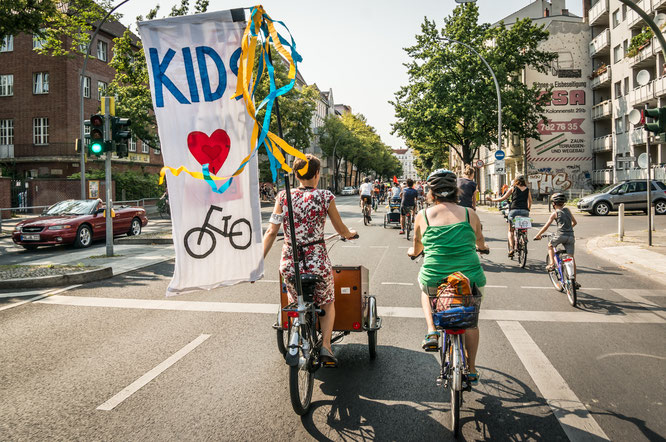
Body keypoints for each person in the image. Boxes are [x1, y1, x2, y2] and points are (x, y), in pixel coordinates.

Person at [262, 154, 357, 365]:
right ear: (317, 174)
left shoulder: (282, 197)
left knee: (295, 299)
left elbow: (270, 231)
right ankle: (326, 346)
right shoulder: (325, 196)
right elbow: (340, 229)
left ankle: (298, 328)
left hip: (290, 260)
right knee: (327, 301)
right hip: (317, 260)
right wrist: (350, 233)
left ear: (296, 175)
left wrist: (258, 261)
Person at [407, 169, 489, 384]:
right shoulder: (470, 214)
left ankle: (431, 331)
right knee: (470, 321)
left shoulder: (423, 216)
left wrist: (412, 252)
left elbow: (417, 247)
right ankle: (471, 369)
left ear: (431, 193)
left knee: (425, 290)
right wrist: (483, 247)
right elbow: (479, 240)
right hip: (468, 277)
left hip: (435, 275)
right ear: (456, 191)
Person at [534, 193, 580, 288]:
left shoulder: (555, 213)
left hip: (560, 236)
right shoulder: (568, 210)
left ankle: (551, 264)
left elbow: (546, 227)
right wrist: (568, 229)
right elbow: (574, 222)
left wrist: (538, 235)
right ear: (563, 203)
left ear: (553, 204)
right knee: (571, 258)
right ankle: (574, 281)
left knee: (550, 245)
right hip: (571, 237)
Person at [490, 176, 532, 257]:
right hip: (525, 211)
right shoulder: (527, 189)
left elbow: (503, 198)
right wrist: (528, 210)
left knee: (511, 231)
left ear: (516, 181)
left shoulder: (513, 188)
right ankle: (523, 238)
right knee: (523, 227)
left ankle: (512, 249)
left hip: (514, 211)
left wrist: (492, 200)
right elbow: (530, 201)